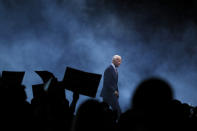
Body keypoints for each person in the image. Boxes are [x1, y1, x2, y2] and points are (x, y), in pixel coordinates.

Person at [100, 55, 122, 119]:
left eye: (120, 61)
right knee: (118, 112)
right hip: (108, 94)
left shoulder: (116, 71)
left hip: (112, 94)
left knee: (107, 111)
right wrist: (114, 91)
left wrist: (117, 91)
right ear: (114, 60)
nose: (120, 63)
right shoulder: (109, 69)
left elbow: (115, 83)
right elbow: (107, 82)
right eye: (119, 61)